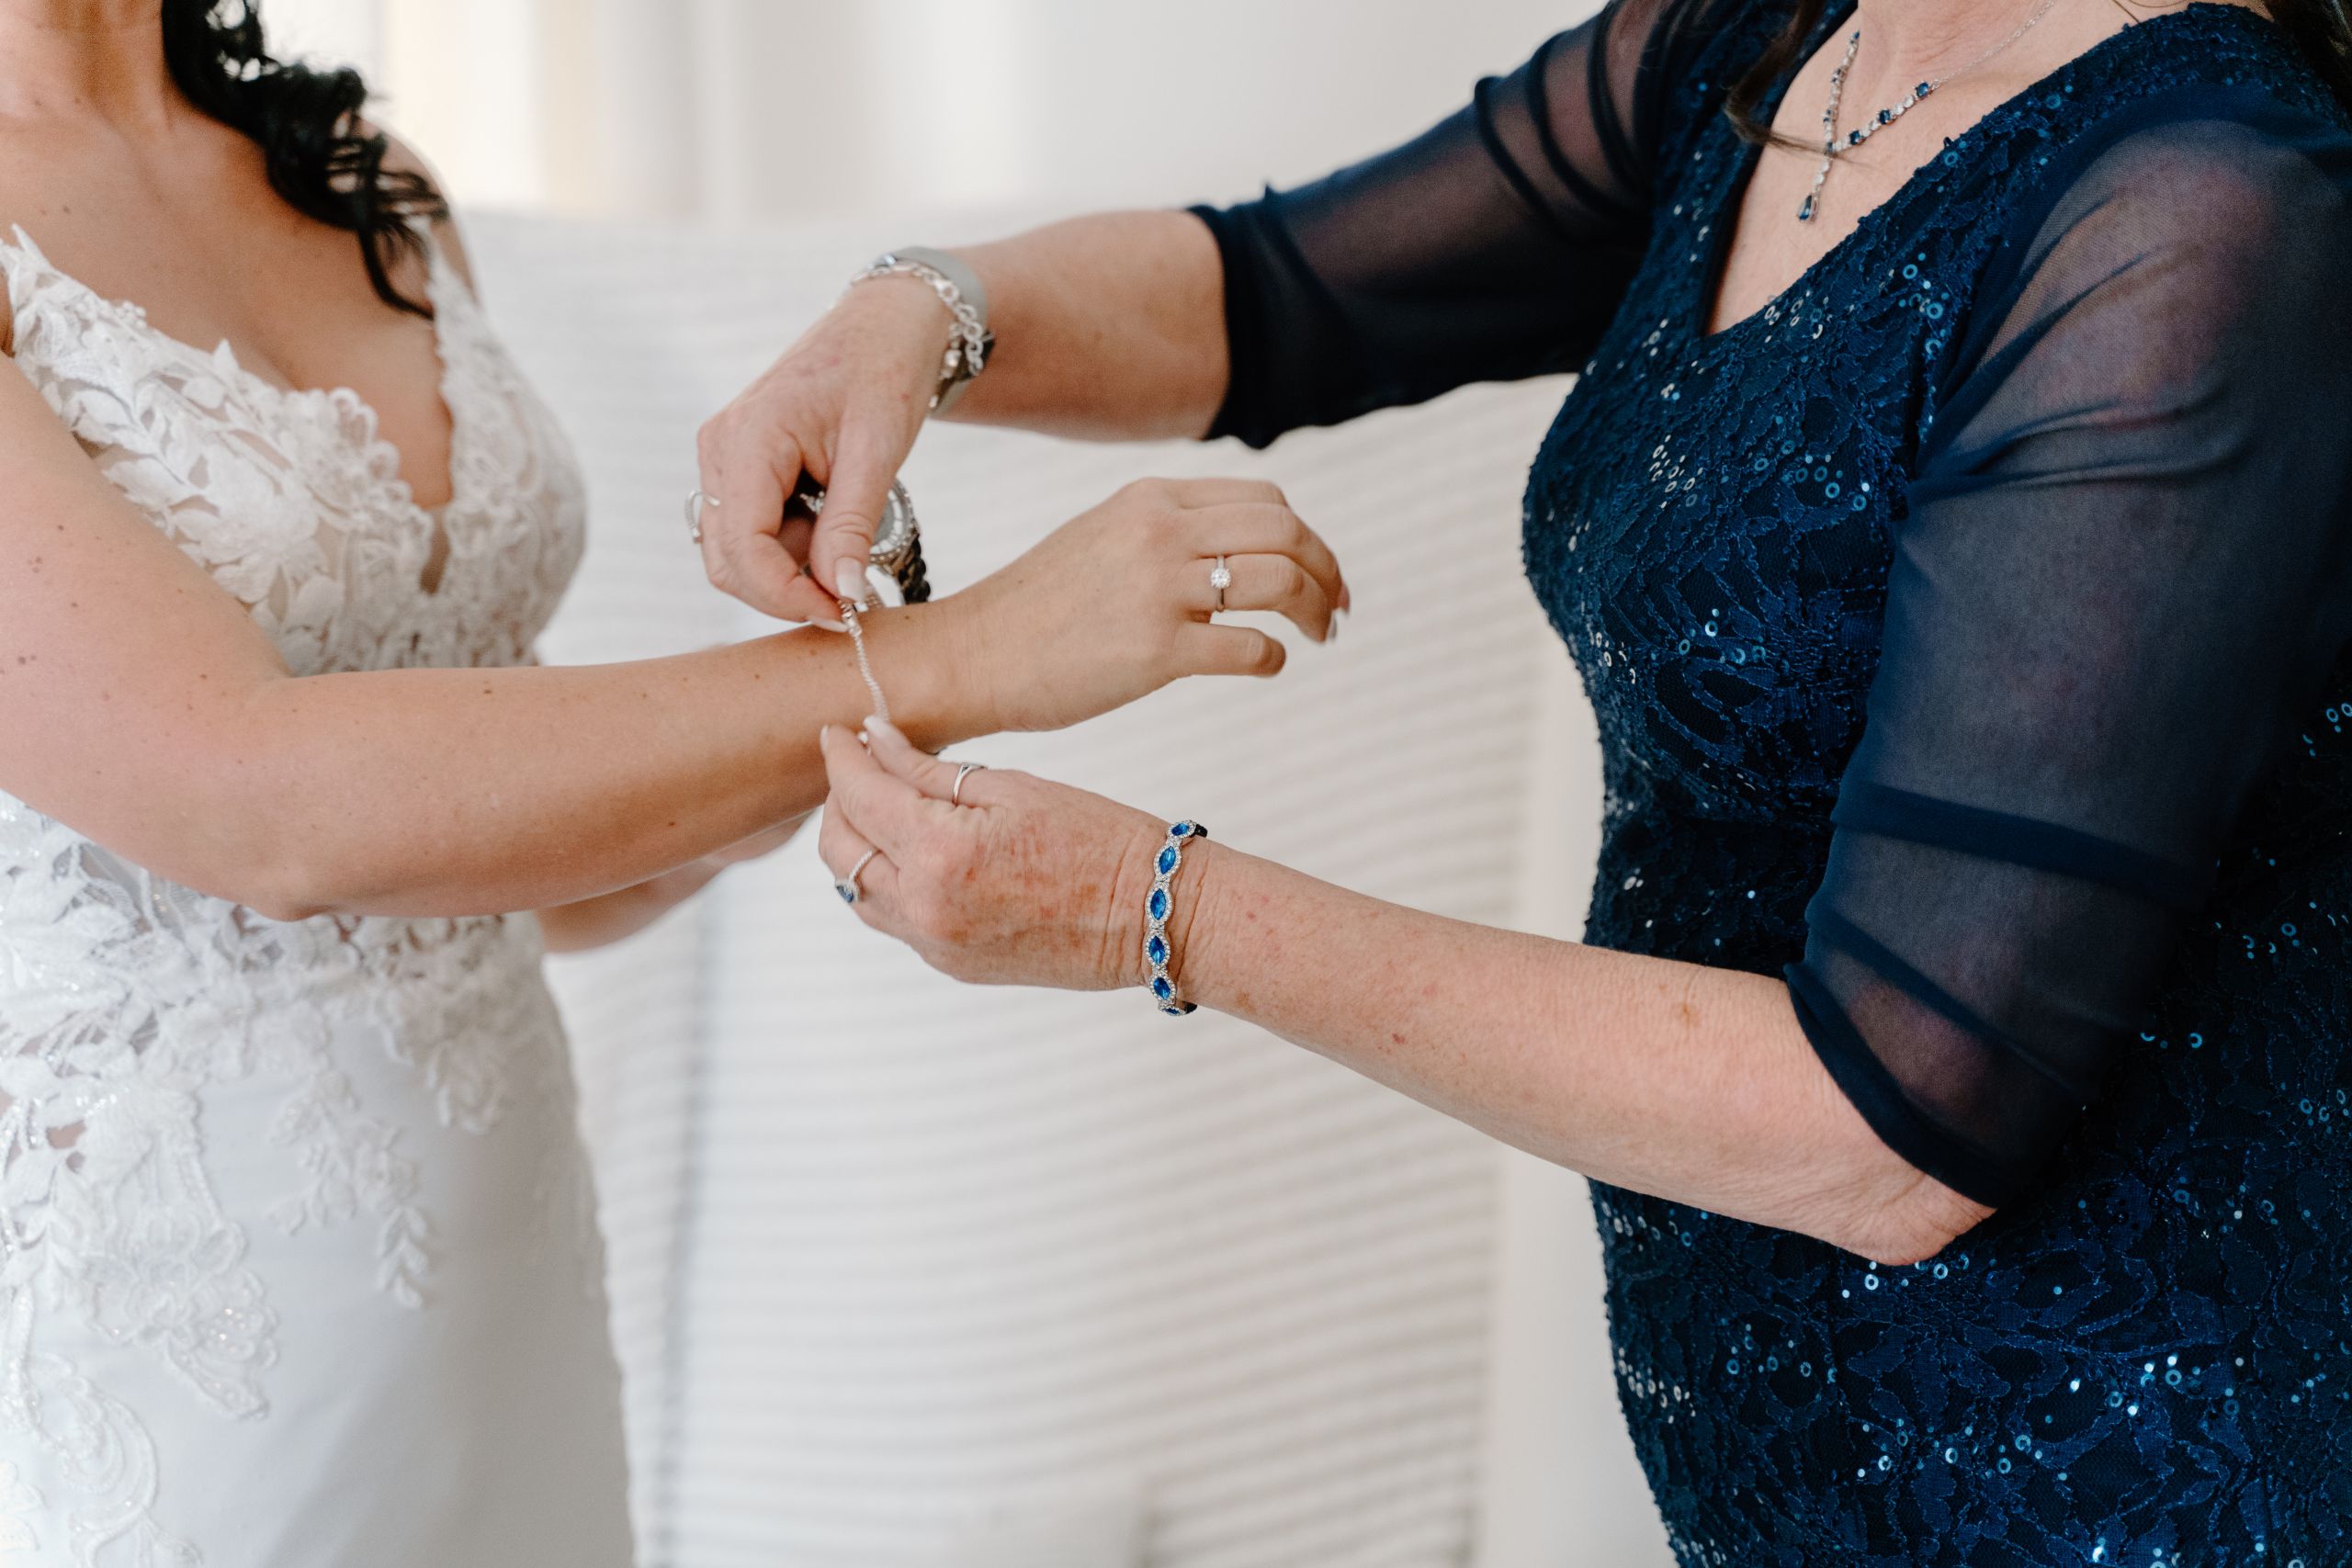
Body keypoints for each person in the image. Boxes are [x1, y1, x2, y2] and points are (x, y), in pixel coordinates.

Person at [698, 0, 2352, 1558]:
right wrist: (916, 316)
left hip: (2115, 1466)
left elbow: (1890, 1127)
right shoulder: (1768, 46)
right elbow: (1275, 300)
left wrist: (1161, 907)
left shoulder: (2193, 207)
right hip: (1792, 1467)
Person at [0, 2, 1345, 1562]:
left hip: (505, 1307)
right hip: (179, 1357)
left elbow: (512, 864)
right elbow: (256, 803)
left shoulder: (354, 173)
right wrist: (961, 654)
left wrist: (803, 733)